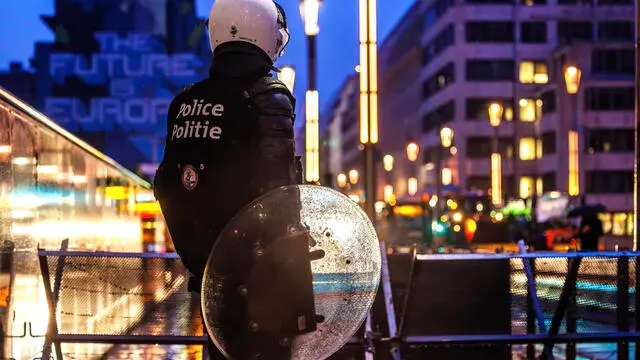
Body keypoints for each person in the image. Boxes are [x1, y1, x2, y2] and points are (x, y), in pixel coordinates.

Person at [153, 0, 303, 358]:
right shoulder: (269, 96)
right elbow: (278, 192)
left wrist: (198, 256)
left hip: (207, 275)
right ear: (268, 35)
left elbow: (169, 185)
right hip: (261, 276)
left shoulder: (185, 101)